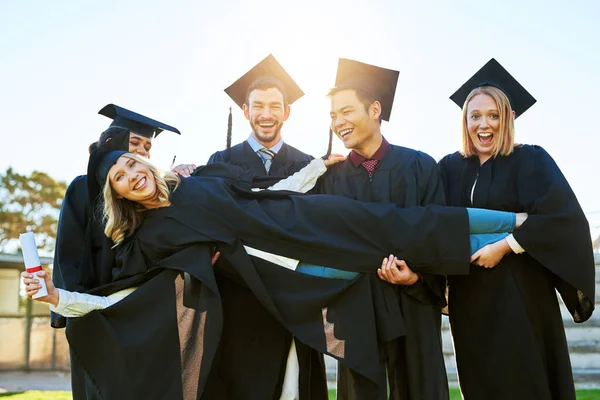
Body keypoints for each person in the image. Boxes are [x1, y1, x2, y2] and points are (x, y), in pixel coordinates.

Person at [26, 147, 522, 399]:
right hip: (290, 276)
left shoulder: (196, 181)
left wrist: (314, 169)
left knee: (398, 222)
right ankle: (492, 244)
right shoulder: (147, 239)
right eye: (120, 178)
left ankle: (514, 227)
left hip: (302, 222)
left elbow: (261, 198)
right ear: (118, 195)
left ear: (145, 163)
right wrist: (59, 297)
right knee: (377, 263)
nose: (133, 174)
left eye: (133, 164)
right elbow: (124, 297)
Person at [439, 58, 596, 400]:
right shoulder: (449, 168)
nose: (484, 124)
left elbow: (565, 219)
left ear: (508, 119)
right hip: (469, 301)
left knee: (525, 382)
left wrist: (508, 245)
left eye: (494, 115)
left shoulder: (530, 160)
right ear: (464, 120)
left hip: (520, 298)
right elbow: (436, 222)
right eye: (475, 115)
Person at [307, 58, 454, 399]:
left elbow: (439, 236)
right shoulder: (329, 179)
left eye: (346, 111)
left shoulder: (420, 166)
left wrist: (417, 279)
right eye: (332, 116)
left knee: (420, 388)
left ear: (375, 109)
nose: (338, 122)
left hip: (413, 306)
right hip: (357, 312)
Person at [207, 54, 322, 400]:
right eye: (258, 106)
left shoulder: (308, 164)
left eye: (275, 105)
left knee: (290, 385)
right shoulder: (221, 163)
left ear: (287, 111)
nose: (267, 114)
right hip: (236, 296)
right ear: (245, 110)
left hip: (290, 296)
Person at [50, 104, 182, 399]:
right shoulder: (82, 188)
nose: (143, 152)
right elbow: (66, 255)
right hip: (94, 310)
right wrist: (71, 307)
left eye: (147, 147)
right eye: (135, 143)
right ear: (111, 141)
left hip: (136, 312)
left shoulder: (138, 195)